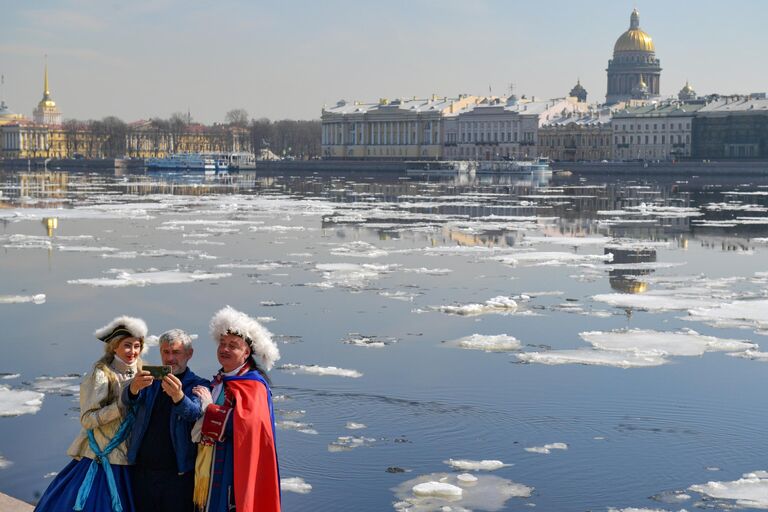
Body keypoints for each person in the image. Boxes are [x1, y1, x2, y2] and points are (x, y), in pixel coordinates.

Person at [35, 316, 148, 512]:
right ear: (114, 347)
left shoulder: (144, 372)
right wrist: (122, 405)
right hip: (104, 460)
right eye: (127, 345)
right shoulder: (101, 375)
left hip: (132, 459)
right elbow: (87, 420)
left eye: (137, 346)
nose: (133, 351)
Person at [192, 306, 281, 512]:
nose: (224, 349)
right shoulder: (220, 380)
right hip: (209, 463)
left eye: (233, 345)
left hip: (234, 465)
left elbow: (247, 426)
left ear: (246, 352)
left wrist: (209, 409)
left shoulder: (254, 385)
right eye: (222, 344)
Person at [122, 329, 209, 512]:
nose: (170, 358)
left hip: (178, 475)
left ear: (189, 354)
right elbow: (128, 400)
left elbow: (194, 413)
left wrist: (178, 397)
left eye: (176, 352)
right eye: (165, 352)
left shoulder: (198, 384)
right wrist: (133, 389)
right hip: (143, 472)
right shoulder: (151, 379)